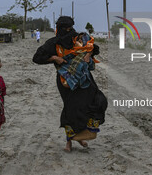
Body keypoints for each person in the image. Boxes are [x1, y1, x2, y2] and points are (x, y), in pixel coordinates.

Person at [33, 16, 107, 152]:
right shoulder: (53, 43)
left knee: (98, 100)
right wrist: (55, 58)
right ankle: (69, 142)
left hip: (84, 78)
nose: (69, 31)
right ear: (60, 29)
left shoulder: (78, 38)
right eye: (65, 29)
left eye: (70, 28)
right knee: (71, 110)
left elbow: (94, 48)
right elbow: (37, 58)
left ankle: (82, 135)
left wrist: (88, 55)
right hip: (65, 81)